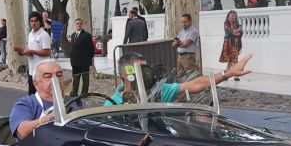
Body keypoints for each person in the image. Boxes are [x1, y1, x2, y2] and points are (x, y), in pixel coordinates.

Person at [105, 52, 252, 106]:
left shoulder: (159, 91)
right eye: (141, 70)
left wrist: (227, 73)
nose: (147, 74)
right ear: (125, 75)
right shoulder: (111, 105)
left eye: (147, 69)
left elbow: (195, 84)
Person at [8, 60, 64, 140]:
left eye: (59, 75)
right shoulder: (25, 103)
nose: (55, 80)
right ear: (36, 83)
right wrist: (48, 118)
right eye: (48, 76)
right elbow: (22, 132)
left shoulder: (75, 102)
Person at [13, 12, 52, 95]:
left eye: (35, 21)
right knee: (32, 96)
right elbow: (30, 51)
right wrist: (22, 52)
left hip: (42, 72)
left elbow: (47, 52)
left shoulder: (44, 35)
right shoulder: (30, 34)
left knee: (42, 96)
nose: (33, 23)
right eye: (31, 21)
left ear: (40, 22)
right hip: (32, 71)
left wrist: (32, 51)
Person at [67, 18, 95, 97]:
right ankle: (74, 92)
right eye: (77, 23)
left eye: (80, 23)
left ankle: (84, 93)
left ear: (82, 25)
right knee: (75, 77)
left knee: (85, 78)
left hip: (84, 61)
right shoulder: (72, 35)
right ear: (75, 24)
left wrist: (88, 58)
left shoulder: (87, 35)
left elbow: (91, 48)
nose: (79, 25)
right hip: (75, 61)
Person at [220, 10, 243, 81]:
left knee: (233, 60)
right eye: (231, 15)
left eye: (234, 15)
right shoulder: (226, 23)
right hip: (228, 44)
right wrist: (236, 31)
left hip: (236, 43)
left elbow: (241, 33)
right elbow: (228, 32)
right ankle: (233, 75)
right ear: (228, 16)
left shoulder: (238, 24)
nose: (233, 16)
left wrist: (235, 32)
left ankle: (228, 75)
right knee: (232, 60)